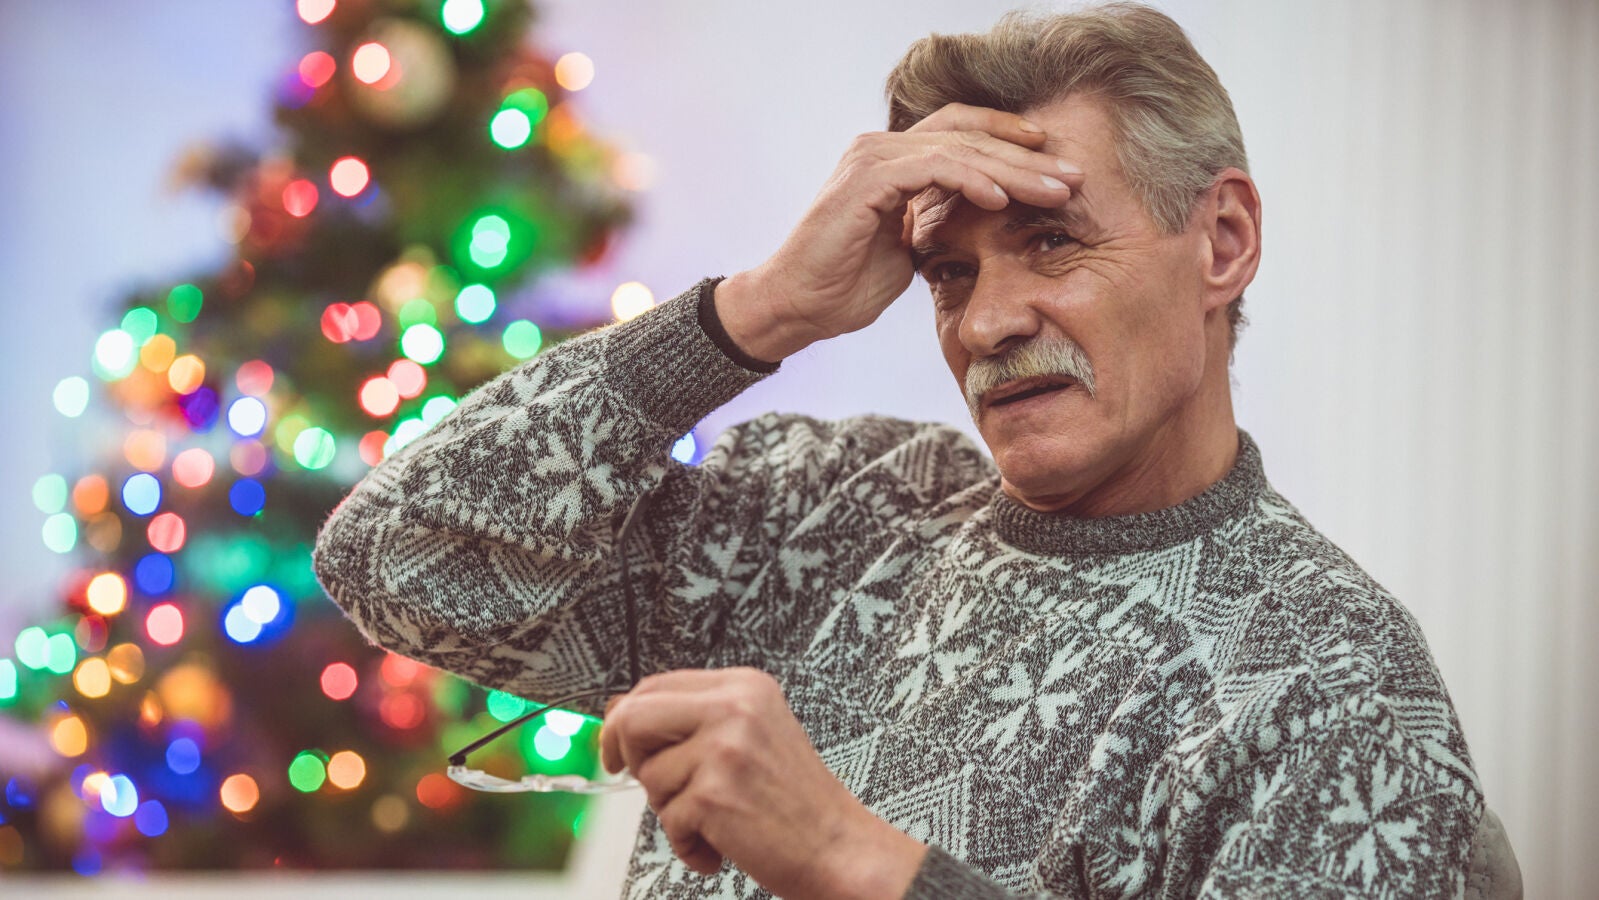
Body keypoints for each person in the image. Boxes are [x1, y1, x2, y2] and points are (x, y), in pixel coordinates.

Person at [313, 4, 1522, 898]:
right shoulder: (821, 509)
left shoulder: (1331, 692)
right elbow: (397, 560)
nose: (985, 323)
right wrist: (755, 311)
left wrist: (858, 865)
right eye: (949, 271)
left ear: (1223, 241)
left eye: (1052, 243)